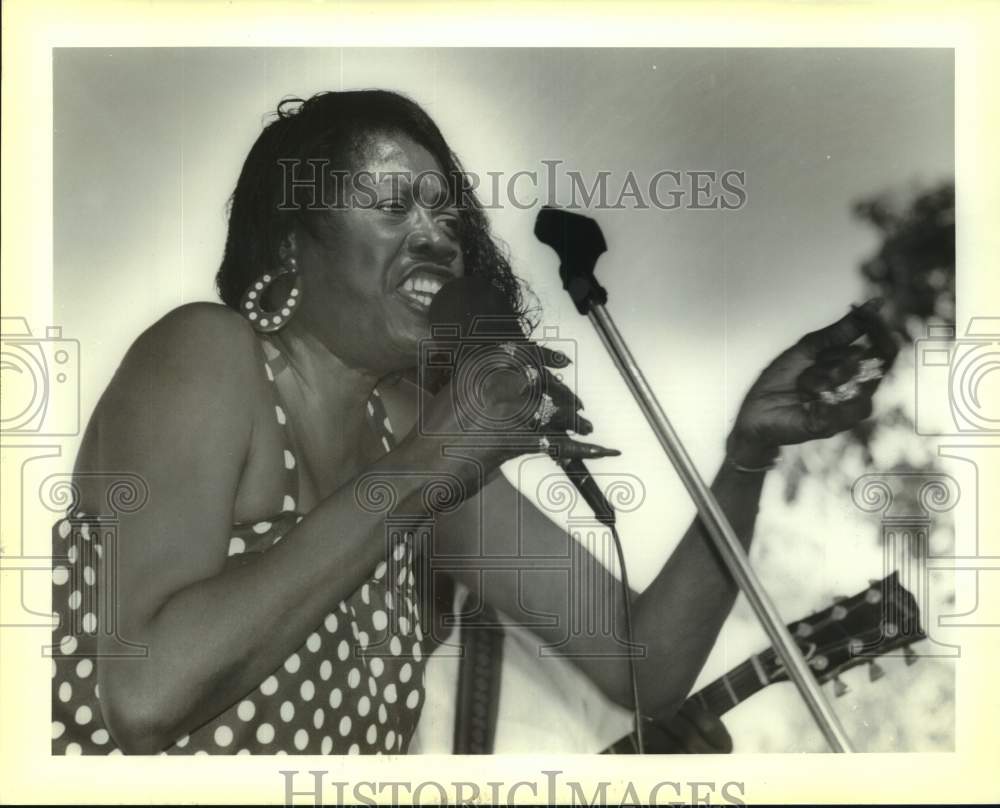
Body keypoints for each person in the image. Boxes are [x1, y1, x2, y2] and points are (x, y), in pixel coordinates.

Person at [50, 89, 898, 755]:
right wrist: (427, 466)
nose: (439, 238)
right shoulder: (210, 354)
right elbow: (146, 696)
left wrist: (745, 454)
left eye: (447, 214)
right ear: (293, 242)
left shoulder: (411, 441)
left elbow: (645, 665)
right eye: (393, 206)